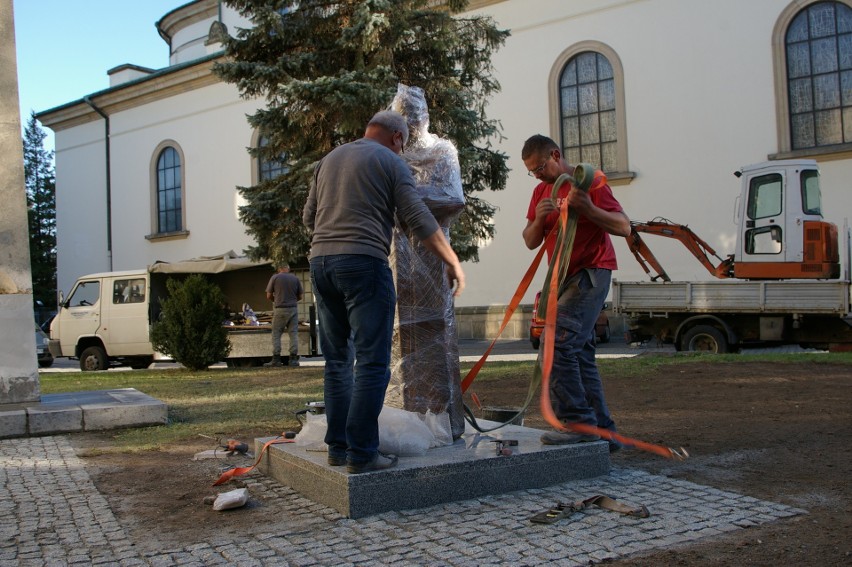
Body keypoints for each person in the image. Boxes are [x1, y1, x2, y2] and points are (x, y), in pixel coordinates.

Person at [303, 110, 465, 474]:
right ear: (396, 138)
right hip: (363, 264)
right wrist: (451, 261)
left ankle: (339, 448)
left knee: (337, 362)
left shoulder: (329, 160)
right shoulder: (391, 162)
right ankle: (362, 454)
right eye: (404, 144)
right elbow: (419, 217)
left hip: (321, 265)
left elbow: (308, 218)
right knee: (373, 363)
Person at [521, 134, 630, 450]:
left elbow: (624, 227)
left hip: (591, 273)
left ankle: (578, 424)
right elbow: (530, 241)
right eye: (531, 172)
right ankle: (603, 432)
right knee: (579, 354)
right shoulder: (541, 191)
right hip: (562, 278)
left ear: (555, 155)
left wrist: (588, 209)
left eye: (540, 168)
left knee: (557, 345)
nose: (537, 175)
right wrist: (540, 219)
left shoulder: (589, 182)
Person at [263, 264, 303, 367]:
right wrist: (293, 301)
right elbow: (300, 296)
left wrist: (276, 300)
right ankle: (293, 359)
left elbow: (268, 295)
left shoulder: (275, 277)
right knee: (293, 334)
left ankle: (276, 359)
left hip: (280, 309)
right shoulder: (295, 278)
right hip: (293, 309)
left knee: (276, 334)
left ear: (279, 269)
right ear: (288, 269)